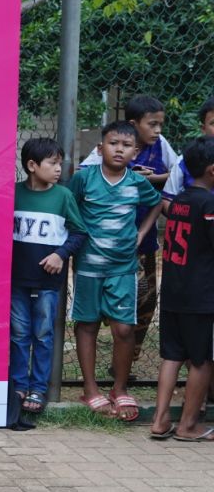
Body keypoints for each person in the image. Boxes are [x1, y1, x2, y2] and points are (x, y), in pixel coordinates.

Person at [69, 120, 163, 422]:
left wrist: (141, 233)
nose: (118, 150)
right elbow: (69, 206)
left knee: (124, 329)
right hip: (87, 267)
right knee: (87, 325)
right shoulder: (85, 179)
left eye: (125, 146)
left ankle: (119, 388)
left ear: (135, 152)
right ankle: (90, 388)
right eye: (113, 143)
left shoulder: (137, 183)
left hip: (123, 267)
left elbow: (157, 204)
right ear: (100, 148)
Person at [79, 95, 175, 378]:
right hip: (99, 244)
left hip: (139, 244)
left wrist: (149, 180)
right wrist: (132, 172)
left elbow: (175, 175)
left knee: (144, 302)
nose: (157, 131)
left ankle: (125, 364)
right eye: (152, 125)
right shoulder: (112, 145)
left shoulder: (161, 146)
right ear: (135, 125)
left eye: (160, 124)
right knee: (94, 314)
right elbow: (87, 173)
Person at [9, 138, 87, 426]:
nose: (58, 169)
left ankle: (38, 388)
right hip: (16, 279)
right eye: (52, 163)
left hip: (47, 282)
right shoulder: (13, 194)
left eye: (59, 163)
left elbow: (79, 232)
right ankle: (17, 386)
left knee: (43, 335)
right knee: (18, 335)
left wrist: (59, 254)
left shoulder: (63, 196)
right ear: (32, 166)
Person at [149, 137, 214, 442]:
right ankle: (188, 426)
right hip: (200, 296)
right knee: (201, 360)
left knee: (172, 356)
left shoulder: (179, 201)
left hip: (173, 292)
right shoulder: (209, 203)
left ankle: (160, 420)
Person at [162, 95, 214, 202]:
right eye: (213, 123)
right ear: (203, 129)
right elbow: (167, 200)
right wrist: (188, 217)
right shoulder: (186, 159)